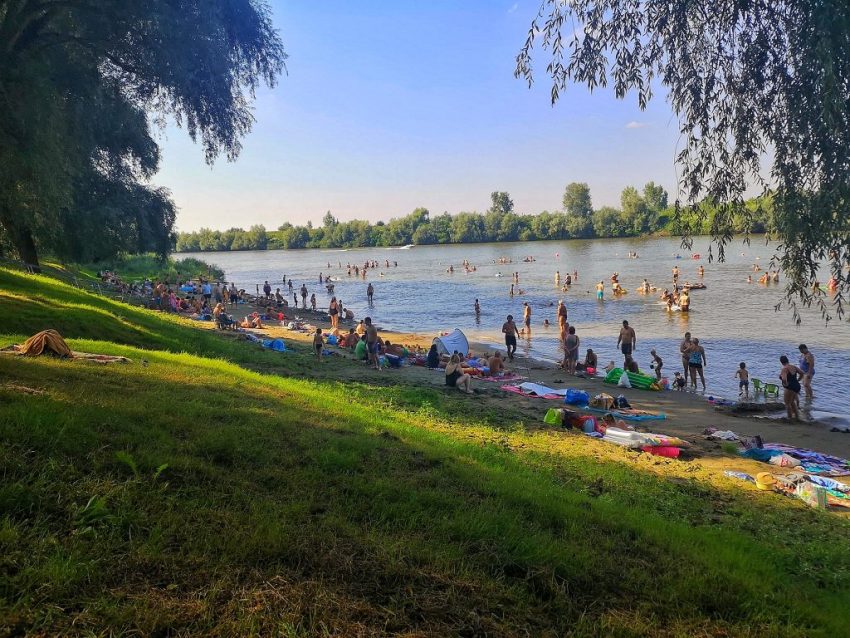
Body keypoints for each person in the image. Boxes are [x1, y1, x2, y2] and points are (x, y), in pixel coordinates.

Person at [779, 355, 803, 420]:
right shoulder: (793, 366)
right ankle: (797, 416)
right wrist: (798, 380)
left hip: (790, 387)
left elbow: (784, 379)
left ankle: (789, 417)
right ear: (787, 360)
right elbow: (801, 373)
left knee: (787, 403)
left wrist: (786, 385)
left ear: (781, 362)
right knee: (792, 402)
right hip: (797, 386)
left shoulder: (784, 369)